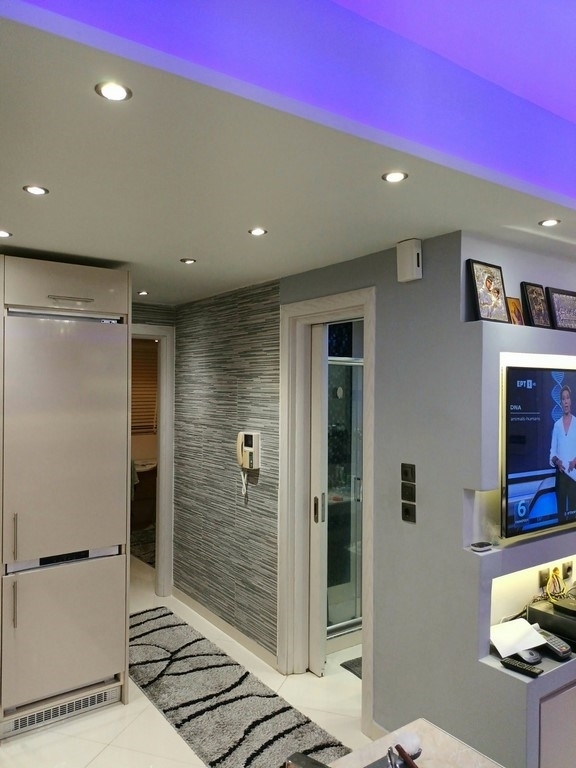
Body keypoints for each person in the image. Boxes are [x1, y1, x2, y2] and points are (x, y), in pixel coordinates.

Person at [549, 384, 576, 521]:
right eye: (563, 399)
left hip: (574, 476)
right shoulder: (557, 426)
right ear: (560, 403)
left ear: (570, 401)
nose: (566, 401)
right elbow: (552, 453)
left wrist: (575, 461)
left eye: (567, 398)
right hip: (561, 476)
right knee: (561, 516)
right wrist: (557, 461)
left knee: (573, 516)